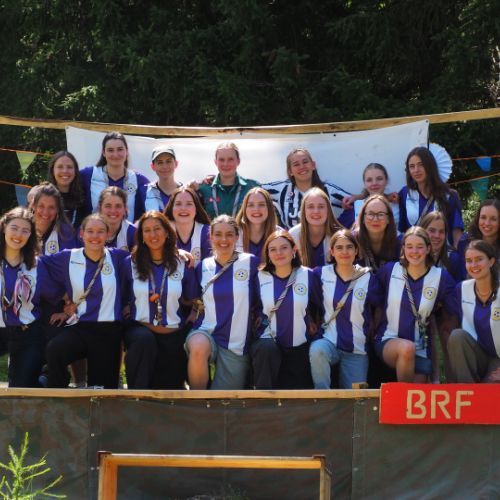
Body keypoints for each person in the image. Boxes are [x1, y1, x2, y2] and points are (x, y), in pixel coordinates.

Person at [43, 214, 128, 388]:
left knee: (101, 390)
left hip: (108, 330)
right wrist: (61, 298)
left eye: (100, 231)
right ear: (81, 234)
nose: (95, 236)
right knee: (55, 349)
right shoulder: (67, 257)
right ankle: (57, 394)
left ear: (108, 235)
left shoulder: (118, 257)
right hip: (80, 327)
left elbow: (145, 258)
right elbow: (37, 265)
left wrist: (178, 251)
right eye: (90, 231)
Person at [121, 211, 197, 389]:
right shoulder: (129, 263)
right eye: (147, 230)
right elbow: (122, 297)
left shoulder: (183, 262)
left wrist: (194, 310)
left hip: (174, 335)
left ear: (167, 232)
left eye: (157, 229)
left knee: (169, 391)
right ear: (141, 236)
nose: (152, 234)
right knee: (143, 340)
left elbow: (191, 298)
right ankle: (136, 398)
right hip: (141, 332)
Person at [185, 215, 259, 390]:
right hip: (206, 331)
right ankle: (197, 402)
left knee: (225, 400)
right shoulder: (203, 266)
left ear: (237, 237)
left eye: (229, 234)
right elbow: (192, 297)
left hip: (236, 343)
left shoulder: (251, 262)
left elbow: (262, 297)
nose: (223, 239)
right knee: (198, 347)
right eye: (218, 234)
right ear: (210, 236)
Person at [373, 227, 456, 382]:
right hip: (388, 340)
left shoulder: (441, 278)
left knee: (417, 393)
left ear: (428, 249)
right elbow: (371, 298)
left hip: (421, 348)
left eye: (420, 247)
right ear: (403, 248)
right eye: (409, 246)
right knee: (406, 349)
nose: (414, 251)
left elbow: (455, 308)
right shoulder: (389, 271)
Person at [309, 230, 381, 389]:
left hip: (357, 348)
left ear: (356, 251)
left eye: (349, 247)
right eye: (339, 247)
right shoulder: (320, 274)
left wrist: (374, 327)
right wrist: (309, 320)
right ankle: (322, 398)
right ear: (331, 251)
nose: (344, 252)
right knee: (317, 350)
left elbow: (380, 305)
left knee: (356, 398)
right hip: (328, 340)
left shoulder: (368, 277)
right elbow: (304, 300)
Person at [251, 230, 320, 389]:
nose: (279, 253)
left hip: (300, 347)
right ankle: (263, 401)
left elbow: (322, 306)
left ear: (294, 250)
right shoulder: (259, 277)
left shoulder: (308, 275)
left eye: (284, 248)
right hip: (269, 346)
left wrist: (313, 323)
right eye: (273, 249)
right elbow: (253, 307)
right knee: (265, 349)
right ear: (268, 254)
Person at [0, 207, 48, 387]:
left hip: (26, 332)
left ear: (31, 235)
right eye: (14, 228)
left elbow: (56, 293)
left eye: (25, 230)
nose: (18, 235)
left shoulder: (38, 265)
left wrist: (68, 305)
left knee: (22, 392)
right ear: (4, 228)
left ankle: (48, 377)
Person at [448, 240, 500, 383]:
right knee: (457, 336)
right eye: (469, 261)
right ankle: (465, 391)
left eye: (479, 259)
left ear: (491, 261)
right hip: (477, 355)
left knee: (489, 390)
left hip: (498, 359)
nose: (474, 265)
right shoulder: (461, 289)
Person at [263, 148, 352, 229]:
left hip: (323, 241)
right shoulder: (281, 189)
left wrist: (339, 230)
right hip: (291, 241)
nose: (302, 167)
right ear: (290, 171)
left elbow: (356, 203)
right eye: (296, 164)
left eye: (305, 162)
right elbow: (255, 189)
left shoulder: (327, 190)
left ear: (313, 165)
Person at [399, 146, 463, 247]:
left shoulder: (449, 195)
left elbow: (456, 229)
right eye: (412, 166)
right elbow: (402, 228)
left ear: (430, 166)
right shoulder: (405, 193)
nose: (416, 170)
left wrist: (456, 252)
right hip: (415, 252)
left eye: (421, 165)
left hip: (442, 252)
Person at [80, 131, 149, 222]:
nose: (115, 155)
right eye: (110, 150)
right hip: (95, 231)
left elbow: (149, 214)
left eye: (120, 149)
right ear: (103, 153)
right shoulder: (87, 175)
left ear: (126, 151)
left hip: (128, 231)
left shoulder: (139, 181)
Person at [196, 142, 259, 219]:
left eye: (230, 159)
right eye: (221, 160)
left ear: (238, 161)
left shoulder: (252, 187)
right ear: (215, 162)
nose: (226, 164)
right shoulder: (203, 188)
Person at [289, 187, 344, 268]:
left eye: (321, 206)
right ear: (304, 211)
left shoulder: (339, 236)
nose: (316, 211)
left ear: (328, 210)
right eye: (311, 207)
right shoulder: (293, 235)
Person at [164, 186, 211, 265]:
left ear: (196, 208)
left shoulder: (207, 232)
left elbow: (210, 266)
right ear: (171, 208)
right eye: (178, 204)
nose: (183, 208)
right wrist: (175, 252)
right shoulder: (163, 230)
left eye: (189, 204)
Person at [355, 194, 400, 272]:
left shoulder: (400, 243)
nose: (375, 219)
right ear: (363, 218)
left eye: (381, 214)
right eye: (370, 214)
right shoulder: (352, 241)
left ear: (388, 219)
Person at [235, 187, 280, 262]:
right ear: (244, 209)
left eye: (261, 204)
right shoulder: (233, 234)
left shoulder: (279, 234)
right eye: (251, 205)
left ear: (269, 208)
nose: (256, 209)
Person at [31, 182, 78, 255]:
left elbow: (68, 260)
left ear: (58, 209)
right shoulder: (23, 228)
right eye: (41, 206)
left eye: (51, 207)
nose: (45, 212)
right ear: (33, 205)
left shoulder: (65, 233)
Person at [457, 199, 500, 278]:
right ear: (478, 219)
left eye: (493, 219)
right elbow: (460, 275)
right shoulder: (464, 242)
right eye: (483, 217)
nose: (487, 223)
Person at [351, 163, 400, 229]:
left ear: (386, 181)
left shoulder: (398, 204)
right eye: (369, 180)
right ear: (364, 183)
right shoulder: (356, 205)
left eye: (379, 179)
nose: (374, 183)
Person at [420, 211, 462, 281]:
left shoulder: (453, 259)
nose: (437, 235)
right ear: (422, 231)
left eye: (441, 231)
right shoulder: (413, 255)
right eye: (432, 230)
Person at [47, 151, 85, 227]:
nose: (65, 171)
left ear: (75, 171)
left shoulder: (82, 198)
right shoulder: (44, 196)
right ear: (52, 170)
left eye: (69, 167)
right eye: (60, 167)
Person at [141, 145, 183, 212]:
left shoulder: (185, 192)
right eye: (160, 162)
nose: (165, 166)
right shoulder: (144, 192)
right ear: (153, 167)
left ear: (176, 164)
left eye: (168, 161)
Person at [97, 187, 136, 251]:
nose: (113, 211)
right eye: (108, 206)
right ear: (100, 208)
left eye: (118, 206)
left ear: (125, 209)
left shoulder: (133, 233)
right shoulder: (87, 230)